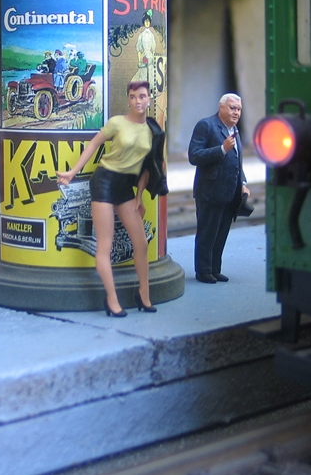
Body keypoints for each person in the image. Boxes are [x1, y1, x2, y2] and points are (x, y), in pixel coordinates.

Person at [57, 81, 167, 316]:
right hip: (105, 182)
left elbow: (148, 168)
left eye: (142, 96)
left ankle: (144, 294)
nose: (138, 101)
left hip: (126, 187)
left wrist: (139, 197)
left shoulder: (152, 130)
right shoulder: (117, 123)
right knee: (104, 245)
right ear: (128, 99)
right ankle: (112, 299)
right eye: (133, 96)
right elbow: (93, 145)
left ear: (149, 98)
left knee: (141, 243)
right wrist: (73, 172)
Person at [188, 93, 250, 283]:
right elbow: (194, 156)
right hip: (210, 191)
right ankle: (203, 271)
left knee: (221, 233)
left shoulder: (234, 129)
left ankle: (215, 268)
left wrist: (243, 183)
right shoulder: (206, 125)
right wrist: (221, 149)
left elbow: (237, 160)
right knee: (207, 233)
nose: (236, 113)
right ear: (221, 107)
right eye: (232, 108)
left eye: (239, 109)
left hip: (230, 192)